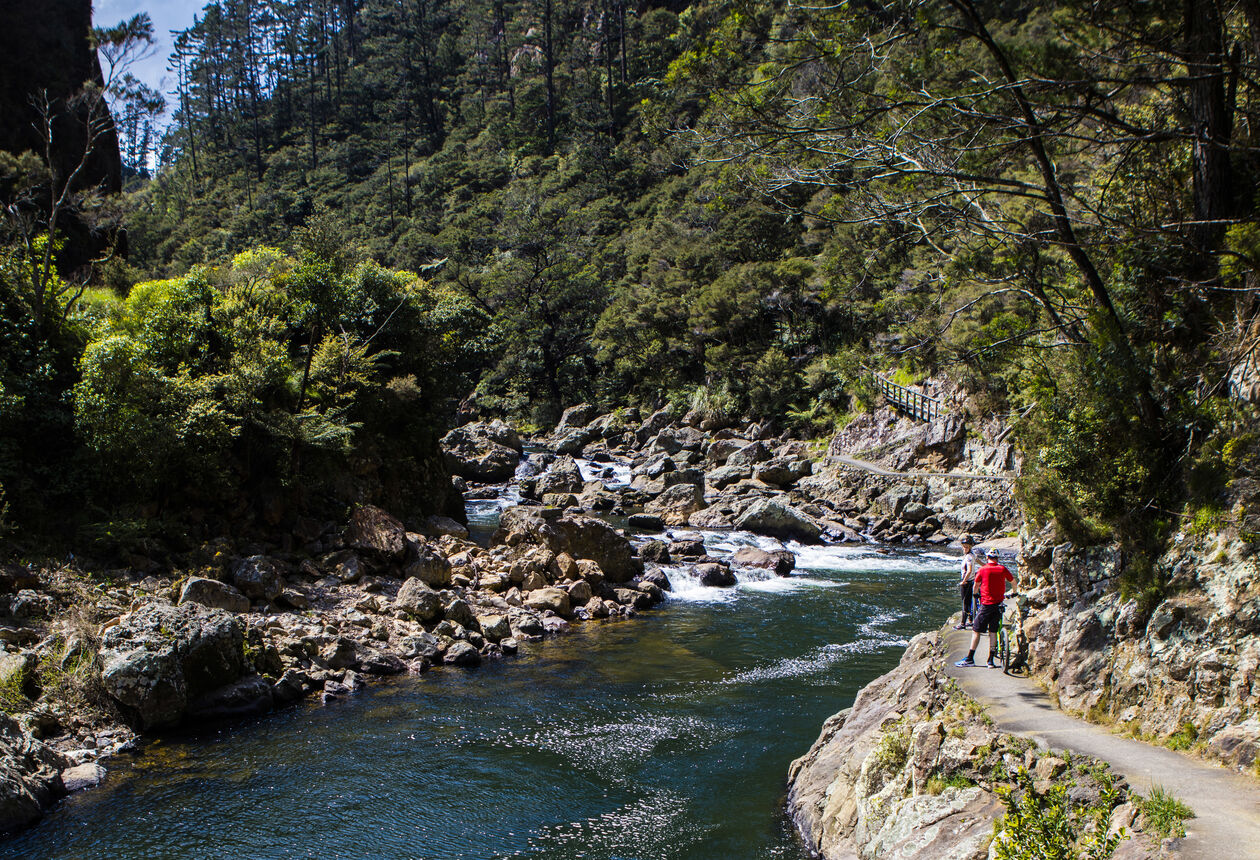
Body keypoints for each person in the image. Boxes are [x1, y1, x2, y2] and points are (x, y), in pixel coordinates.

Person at [955, 548, 1015, 668]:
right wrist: (1014, 592)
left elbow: (976, 586)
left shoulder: (983, 570)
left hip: (986, 604)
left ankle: (970, 658)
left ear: (987, 558)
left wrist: (976, 594)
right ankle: (990, 660)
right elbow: (1013, 582)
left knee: (976, 630)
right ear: (997, 559)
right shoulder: (1002, 569)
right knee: (993, 631)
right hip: (998, 604)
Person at [954, 534, 978, 630]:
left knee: (965, 603)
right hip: (972, 581)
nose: (964, 548)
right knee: (970, 602)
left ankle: (963, 623)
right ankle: (971, 621)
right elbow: (979, 561)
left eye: (966, 547)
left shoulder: (968, 557)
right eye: (964, 547)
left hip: (967, 582)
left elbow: (969, 570)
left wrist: (963, 581)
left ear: (970, 547)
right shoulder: (972, 555)